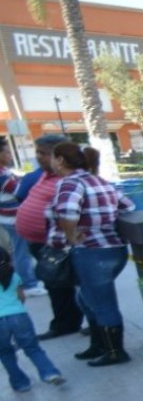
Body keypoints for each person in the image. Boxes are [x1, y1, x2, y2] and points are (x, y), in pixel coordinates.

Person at [46, 142, 135, 366]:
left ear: (60, 160)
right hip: (114, 249)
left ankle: (115, 351)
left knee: (102, 303)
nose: (51, 162)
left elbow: (68, 212)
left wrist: (71, 235)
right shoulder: (99, 181)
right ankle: (100, 344)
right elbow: (129, 207)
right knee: (86, 298)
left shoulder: (70, 183)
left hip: (92, 253)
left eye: (53, 157)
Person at [15, 134, 83, 340]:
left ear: (59, 157)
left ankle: (83, 323)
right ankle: (65, 322)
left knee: (67, 284)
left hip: (58, 244)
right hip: (41, 243)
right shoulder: (45, 175)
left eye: (43, 153)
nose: (39, 157)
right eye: (37, 152)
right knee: (55, 284)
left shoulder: (68, 179)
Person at [0, 247, 65, 392]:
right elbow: (21, 297)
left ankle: (20, 383)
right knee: (32, 348)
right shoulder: (13, 275)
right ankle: (50, 373)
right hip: (19, 315)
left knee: (5, 353)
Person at [0, 137, 43, 297]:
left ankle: (30, 280)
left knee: (22, 250)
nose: (10, 155)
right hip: (11, 219)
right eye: (7, 152)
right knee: (21, 251)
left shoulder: (4, 171)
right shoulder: (2, 175)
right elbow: (19, 190)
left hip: (11, 217)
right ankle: (29, 284)